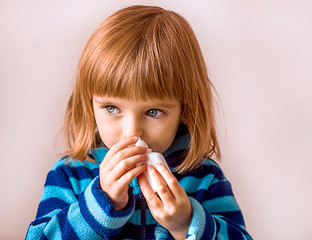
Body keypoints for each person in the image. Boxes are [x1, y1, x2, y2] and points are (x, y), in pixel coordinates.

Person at [26, 5, 252, 240]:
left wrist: (186, 224)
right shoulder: (70, 176)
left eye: (153, 112)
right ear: (90, 104)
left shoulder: (205, 178)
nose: (132, 131)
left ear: (185, 109)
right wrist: (98, 207)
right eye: (112, 108)